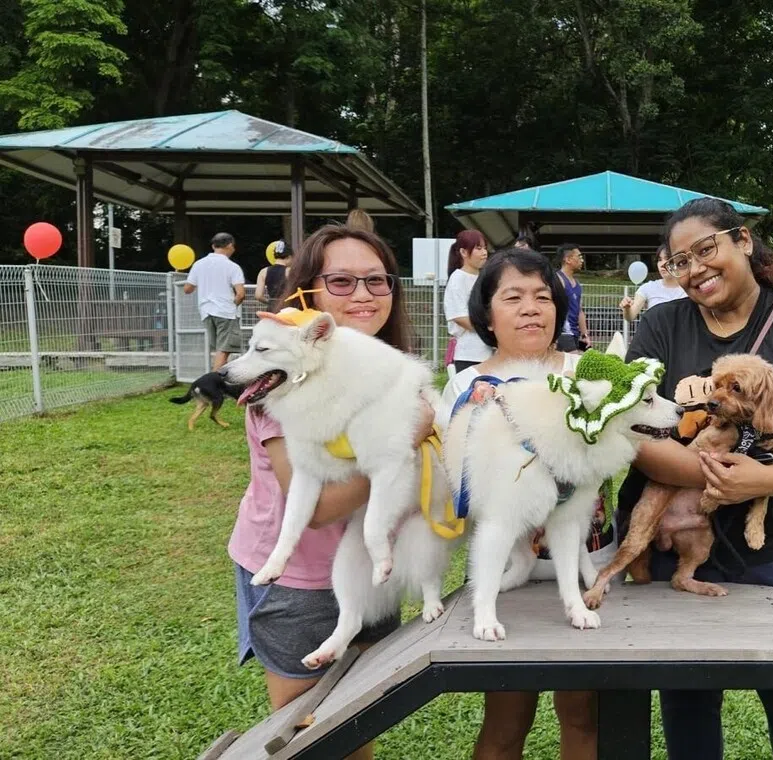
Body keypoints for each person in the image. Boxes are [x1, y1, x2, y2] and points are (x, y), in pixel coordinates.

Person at [618, 198, 773, 759]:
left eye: (706, 249)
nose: (695, 269)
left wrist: (761, 483)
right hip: (677, 538)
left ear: (742, 241)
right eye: (678, 262)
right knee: (687, 698)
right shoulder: (659, 324)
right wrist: (721, 477)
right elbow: (635, 436)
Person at [228, 224, 432, 760]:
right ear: (307, 293)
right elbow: (315, 508)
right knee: (310, 737)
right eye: (341, 281)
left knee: (358, 724)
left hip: (369, 567)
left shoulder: (386, 371)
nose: (363, 294)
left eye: (376, 280)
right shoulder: (282, 382)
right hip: (298, 579)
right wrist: (403, 439)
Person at [435, 248, 611, 760]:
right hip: (508, 575)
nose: (531, 307)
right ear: (487, 314)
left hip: (585, 563)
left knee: (583, 711)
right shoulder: (467, 385)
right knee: (507, 716)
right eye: (512, 297)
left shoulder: (587, 370)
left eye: (542, 296)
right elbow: (460, 480)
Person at [183, 232, 245, 371]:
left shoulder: (199, 264)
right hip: (225, 311)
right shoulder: (232, 267)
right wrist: (233, 304)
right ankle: (214, 380)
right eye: (233, 246)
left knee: (219, 348)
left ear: (213, 246)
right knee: (224, 349)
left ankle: (218, 379)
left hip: (205, 311)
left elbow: (187, 289)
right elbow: (240, 294)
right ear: (229, 245)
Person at [443, 230, 492, 373]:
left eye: (484, 248)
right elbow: (459, 317)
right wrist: (489, 330)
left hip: (490, 353)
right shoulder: (458, 278)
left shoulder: (484, 278)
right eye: (478, 248)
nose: (484, 252)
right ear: (464, 252)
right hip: (469, 354)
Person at [619, 245, 687, 322]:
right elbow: (630, 317)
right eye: (659, 259)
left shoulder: (690, 287)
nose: (662, 264)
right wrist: (627, 308)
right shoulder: (648, 288)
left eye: (667, 258)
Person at [555, 243, 591, 352]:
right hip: (563, 333)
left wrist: (585, 335)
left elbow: (579, 311)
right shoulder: (558, 280)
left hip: (574, 333)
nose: (582, 260)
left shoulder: (578, 285)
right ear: (568, 259)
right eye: (579, 257)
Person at [255, 240, 292, 305]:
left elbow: (258, 296)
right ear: (289, 257)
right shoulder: (290, 271)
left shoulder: (263, 271)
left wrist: (270, 303)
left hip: (271, 309)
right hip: (286, 308)